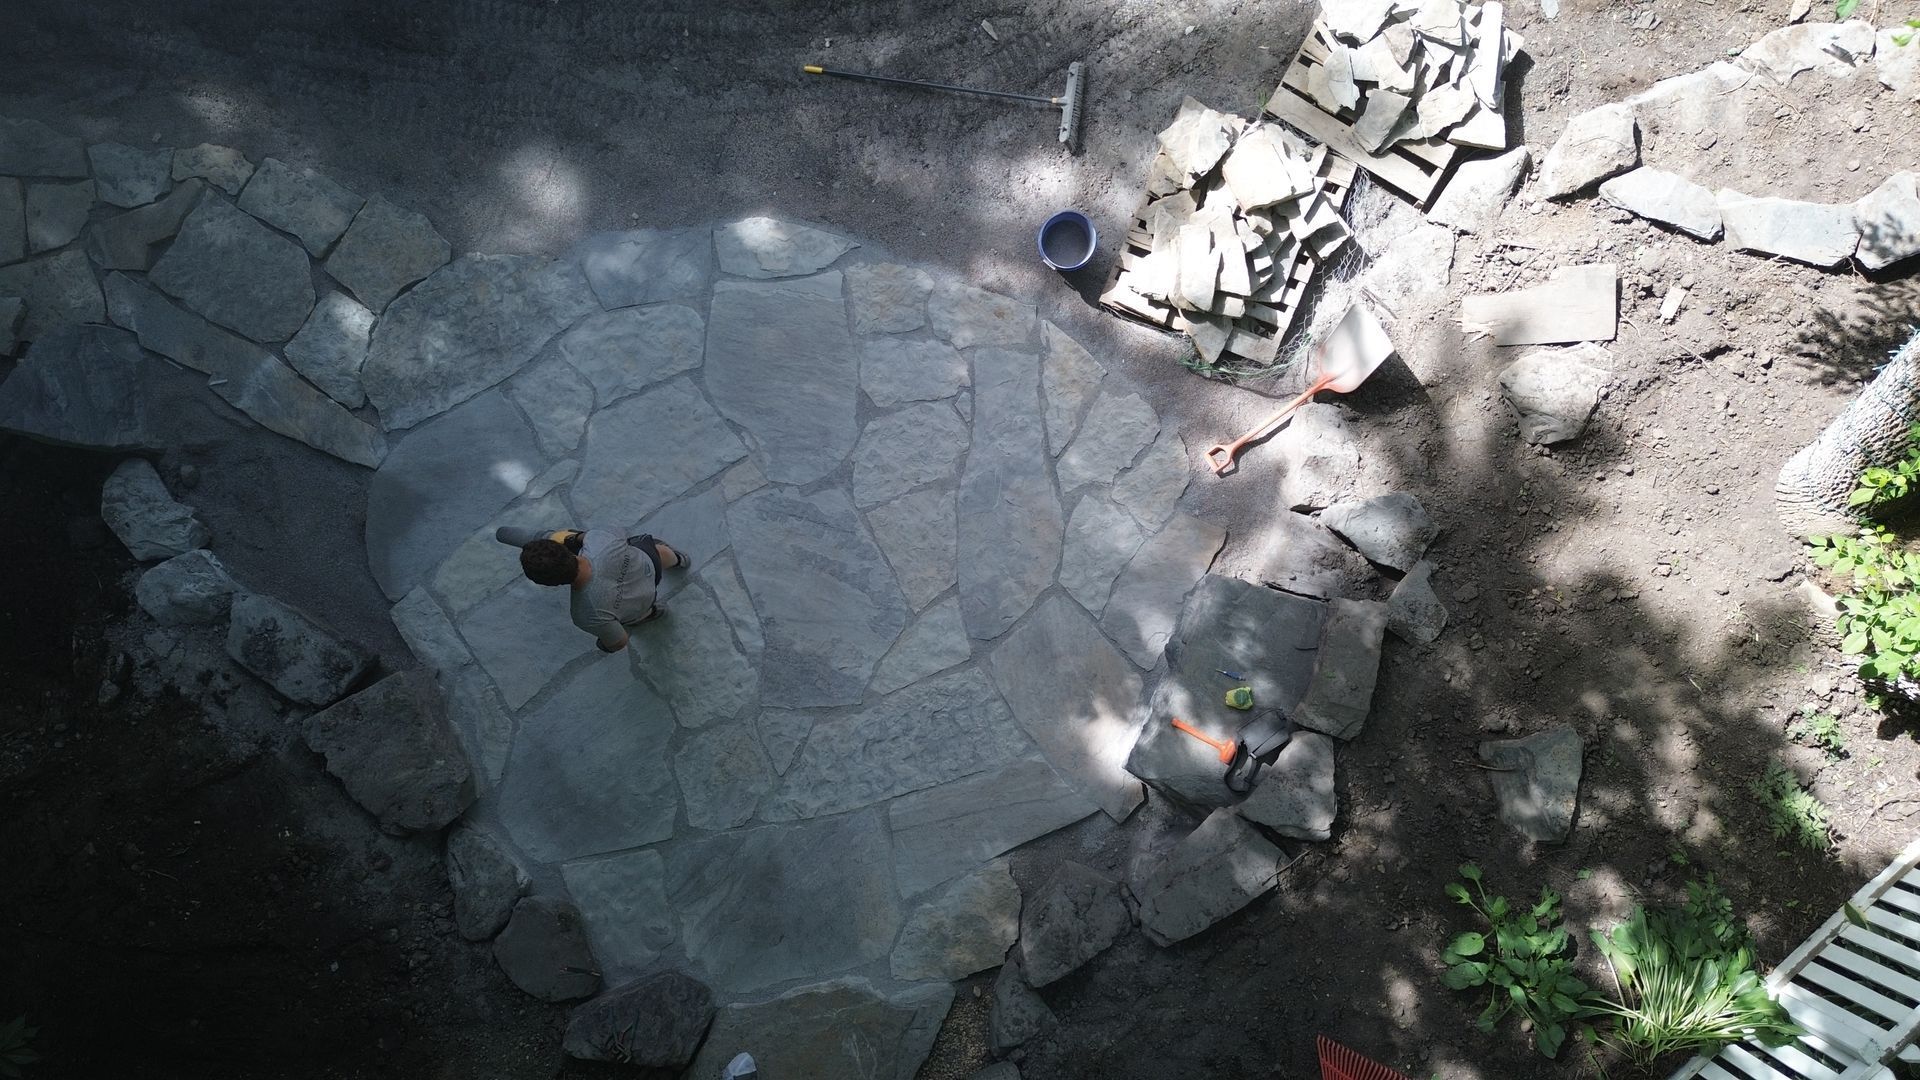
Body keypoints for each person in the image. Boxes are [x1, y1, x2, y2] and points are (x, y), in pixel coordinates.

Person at [495, 525, 685, 652]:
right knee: (655, 551)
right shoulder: (601, 541)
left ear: (550, 584)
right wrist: (574, 538)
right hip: (650, 568)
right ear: (564, 550)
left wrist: (603, 645)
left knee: (629, 617)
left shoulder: (584, 614)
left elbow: (619, 641)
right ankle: (678, 560)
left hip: (640, 605)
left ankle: (653, 613)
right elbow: (608, 531)